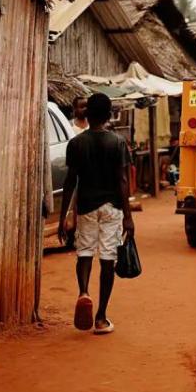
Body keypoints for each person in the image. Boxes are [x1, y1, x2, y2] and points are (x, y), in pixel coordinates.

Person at [58, 92, 134, 335]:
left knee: (85, 252)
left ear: (87, 114)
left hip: (87, 206)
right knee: (107, 258)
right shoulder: (118, 142)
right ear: (109, 114)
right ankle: (101, 317)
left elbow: (70, 181)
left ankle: (83, 292)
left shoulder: (76, 144)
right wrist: (129, 217)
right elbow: (123, 181)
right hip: (112, 208)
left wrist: (63, 217)